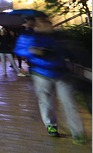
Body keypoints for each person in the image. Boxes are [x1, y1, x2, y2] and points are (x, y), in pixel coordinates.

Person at [14, 16, 87, 144]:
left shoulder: (58, 36)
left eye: (47, 22)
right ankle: (51, 125)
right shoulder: (30, 36)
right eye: (41, 23)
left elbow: (70, 49)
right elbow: (19, 49)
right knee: (46, 102)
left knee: (69, 103)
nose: (45, 25)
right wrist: (31, 51)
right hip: (41, 73)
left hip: (61, 73)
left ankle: (78, 132)